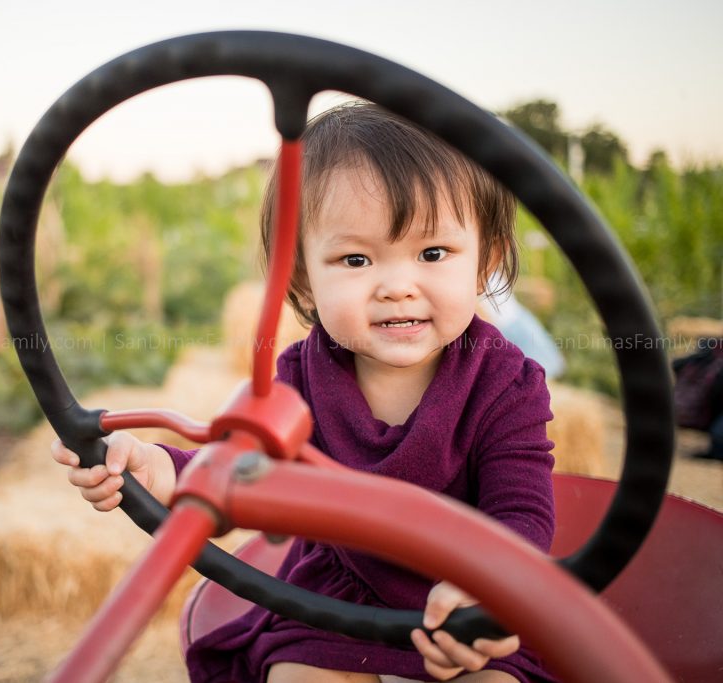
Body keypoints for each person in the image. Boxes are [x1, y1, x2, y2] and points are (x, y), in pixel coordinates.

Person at [51, 103, 556, 682]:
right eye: (357, 259)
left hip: (462, 601)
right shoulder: (296, 380)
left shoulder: (504, 382)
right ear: (302, 278)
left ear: (485, 260)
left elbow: (521, 512)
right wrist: (156, 469)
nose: (396, 287)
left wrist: (491, 591)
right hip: (332, 608)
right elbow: (234, 475)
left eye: (432, 254)